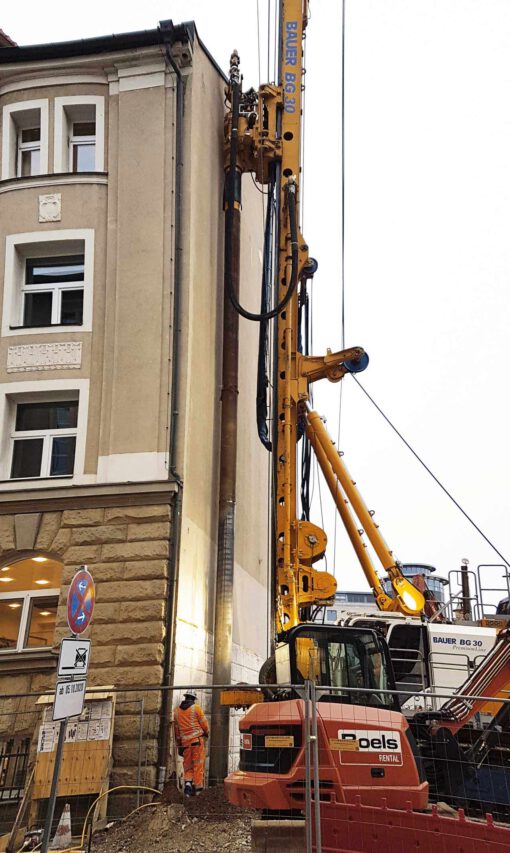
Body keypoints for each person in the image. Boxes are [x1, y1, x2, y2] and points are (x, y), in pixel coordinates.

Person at [173, 690, 209, 796]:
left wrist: (179, 744)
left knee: (188, 766)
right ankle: (198, 790)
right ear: (193, 699)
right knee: (198, 765)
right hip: (197, 742)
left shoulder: (176, 711)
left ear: (185, 697)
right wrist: (207, 733)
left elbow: (177, 730)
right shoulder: (196, 708)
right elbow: (204, 724)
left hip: (185, 744)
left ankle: (188, 785)